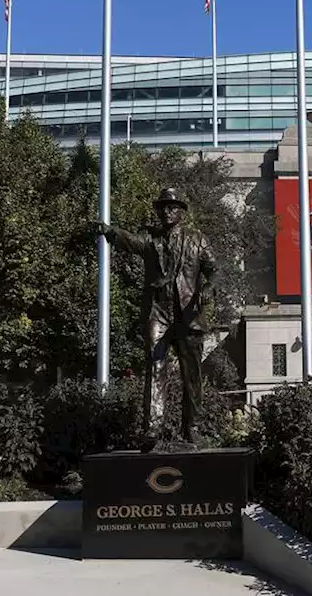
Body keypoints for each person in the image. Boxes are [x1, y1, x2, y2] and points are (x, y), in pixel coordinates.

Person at [98, 187, 216, 444]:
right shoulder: (151, 240)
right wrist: (109, 231)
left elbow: (214, 271)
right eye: (162, 207)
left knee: (191, 375)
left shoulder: (197, 239)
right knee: (155, 366)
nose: (166, 211)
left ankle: (192, 428)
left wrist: (207, 288)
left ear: (181, 212)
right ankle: (153, 429)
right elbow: (130, 240)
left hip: (188, 314)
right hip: (159, 311)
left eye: (172, 207)